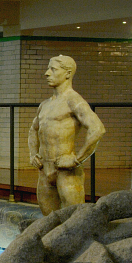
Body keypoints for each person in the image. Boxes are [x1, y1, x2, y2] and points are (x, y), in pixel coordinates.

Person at [28, 55, 105, 215]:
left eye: (53, 69)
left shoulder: (73, 100)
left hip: (66, 172)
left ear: (68, 73)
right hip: (44, 170)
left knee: (73, 219)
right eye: (48, 68)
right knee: (48, 220)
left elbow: (97, 129)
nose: (47, 73)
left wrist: (76, 159)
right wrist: (33, 154)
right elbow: (33, 130)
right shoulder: (45, 104)